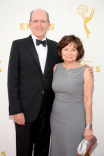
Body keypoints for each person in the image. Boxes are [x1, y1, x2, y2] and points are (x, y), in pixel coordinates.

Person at [8, 8, 93, 156]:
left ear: (48, 24)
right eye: (36, 21)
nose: (39, 25)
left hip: (49, 110)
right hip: (25, 110)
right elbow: (12, 79)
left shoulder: (56, 47)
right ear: (29, 23)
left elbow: (69, 65)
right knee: (24, 150)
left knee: (43, 149)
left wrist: (86, 68)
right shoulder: (18, 45)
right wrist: (16, 110)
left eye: (43, 21)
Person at [50, 35, 93, 156]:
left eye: (73, 49)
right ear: (61, 51)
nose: (69, 53)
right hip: (55, 118)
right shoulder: (56, 68)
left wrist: (88, 127)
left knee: (72, 151)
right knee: (57, 150)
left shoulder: (85, 71)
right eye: (66, 49)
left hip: (75, 119)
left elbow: (88, 100)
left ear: (78, 52)